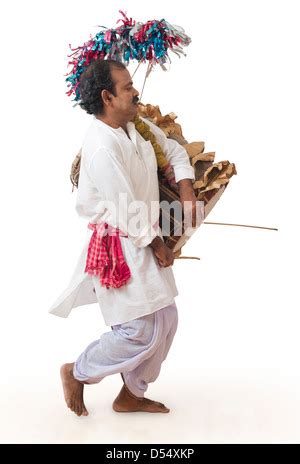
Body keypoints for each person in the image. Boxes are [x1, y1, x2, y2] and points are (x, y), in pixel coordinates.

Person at [50, 59, 197, 416]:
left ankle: (131, 393)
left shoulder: (138, 126)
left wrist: (187, 189)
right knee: (138, 329)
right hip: (120, 243)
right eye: (127, 87)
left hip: (144, 234)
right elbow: (124, 206)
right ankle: (78, 371)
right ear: (107, 97)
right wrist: (160, 244)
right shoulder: (101, 145)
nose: (136, 92)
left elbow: (175, 150)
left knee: (166, 320)